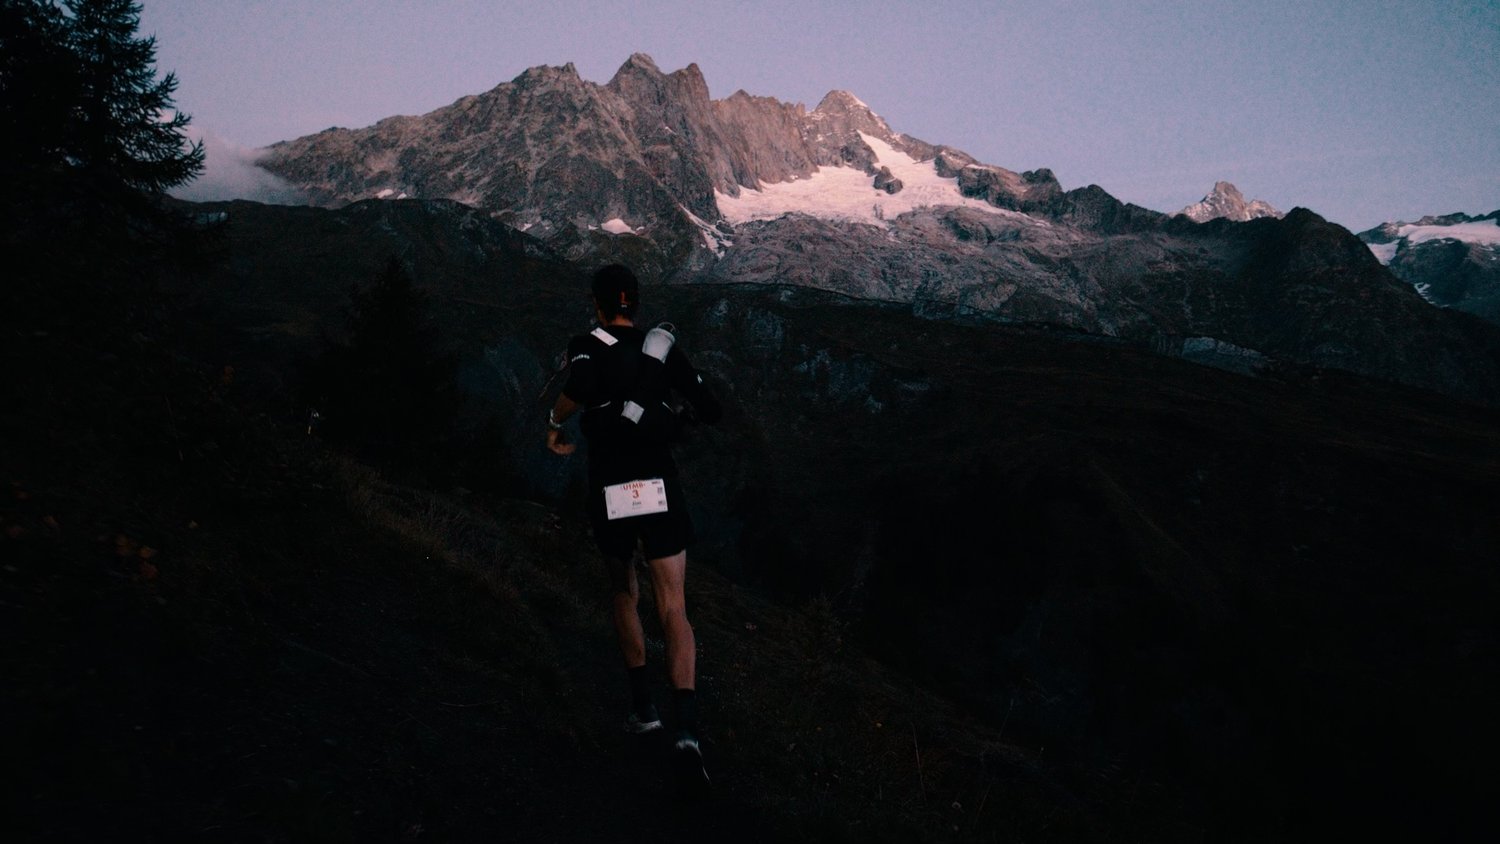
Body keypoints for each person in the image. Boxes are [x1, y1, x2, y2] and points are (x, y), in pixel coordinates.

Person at [545, 264, 721, 786]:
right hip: (659, 482)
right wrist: (677, 419)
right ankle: (687, 732)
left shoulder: (587, 344)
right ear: (636, 304)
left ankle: (644, 709)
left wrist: (555, 423)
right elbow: (710, 408)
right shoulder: (659, 349)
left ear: (597, 304)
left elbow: (577, 388)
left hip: (611, 484)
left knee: (624, 590)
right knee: (674, 606)